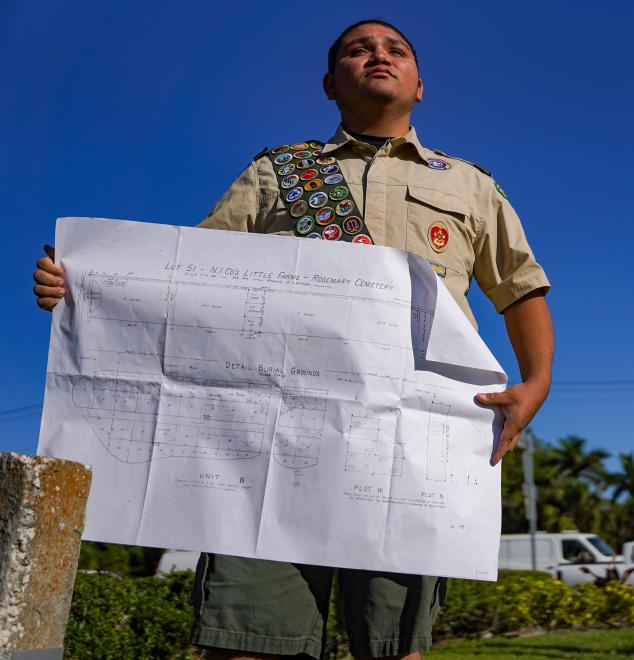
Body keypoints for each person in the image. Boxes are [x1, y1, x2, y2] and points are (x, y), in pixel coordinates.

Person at [33, 19, 553, 660]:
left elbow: (521, 289)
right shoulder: (280, 172)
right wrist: (83, 283)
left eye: (396, 50)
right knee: (247, 641)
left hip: (413, 440)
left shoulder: (469, 185)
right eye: (357, 50)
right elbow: (188, 274)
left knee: (393, 648)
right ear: (330, 83)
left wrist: (536, 385)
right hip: (272, 440)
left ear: (421, 86)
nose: (378, 56)